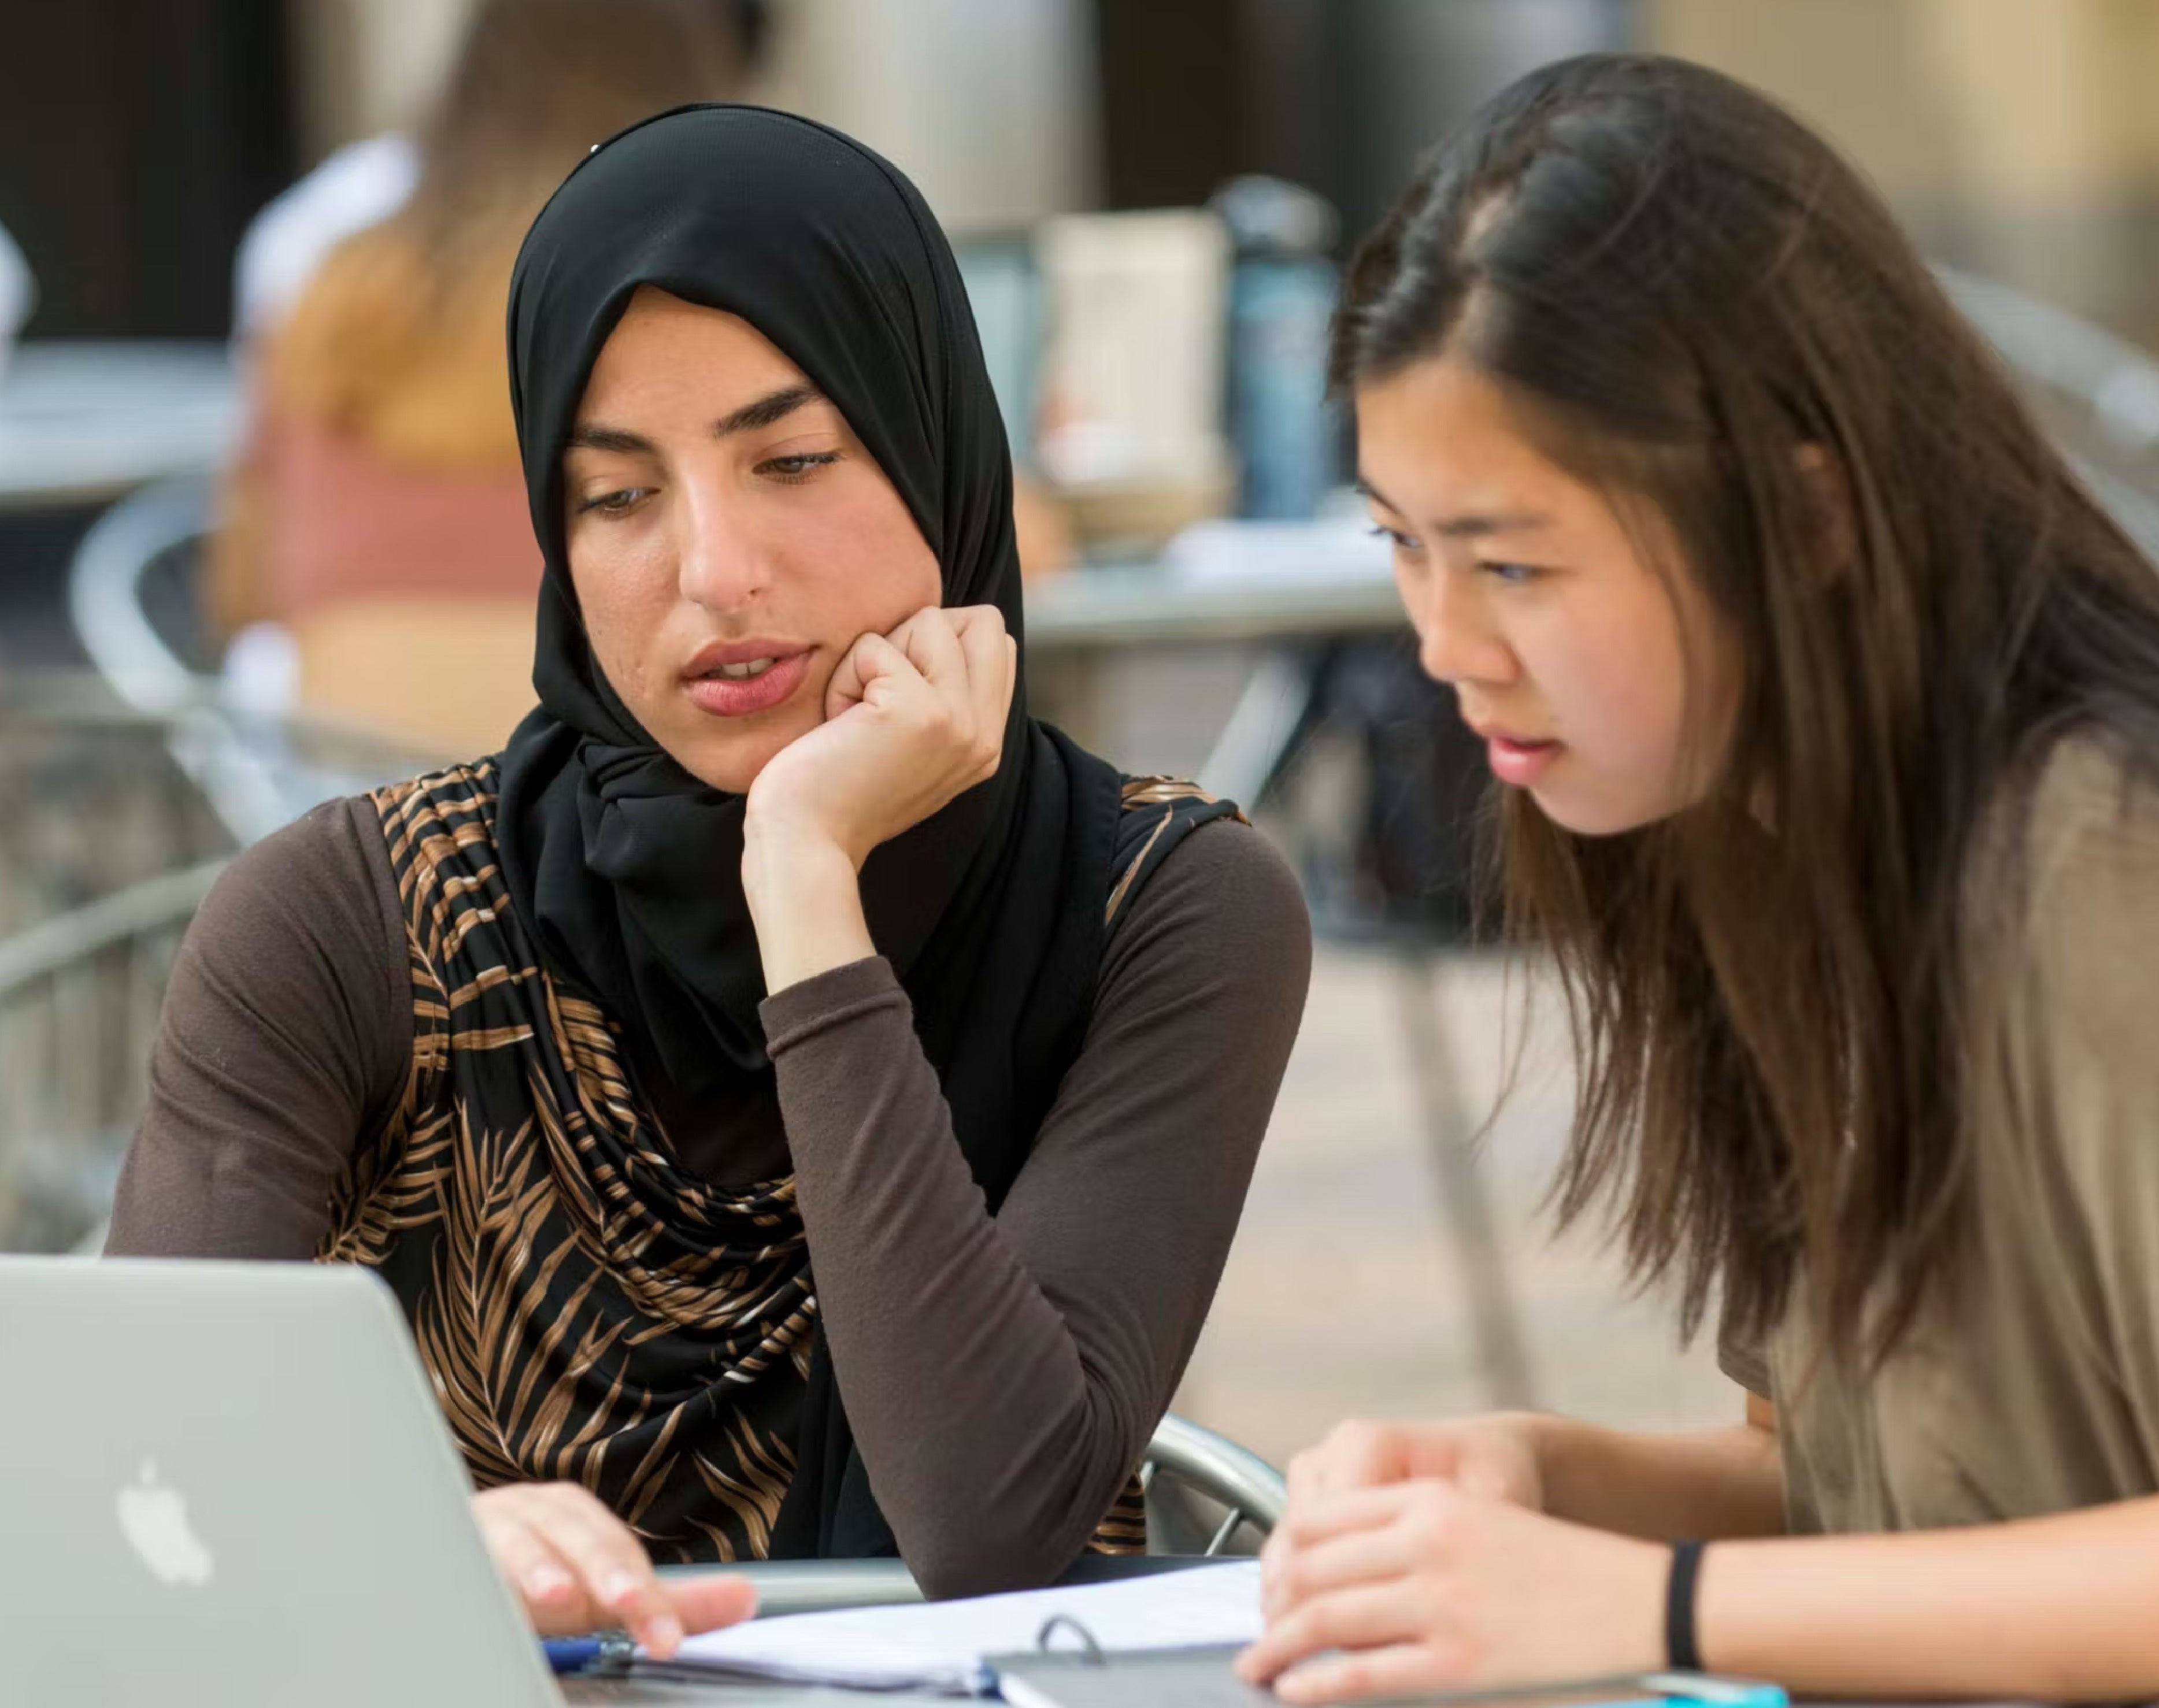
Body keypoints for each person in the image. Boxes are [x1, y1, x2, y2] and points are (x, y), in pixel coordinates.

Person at [109, 105, 1310, 1657]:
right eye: (619, 496)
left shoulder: (1162, 909)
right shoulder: (363, 922)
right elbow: (136, 1478)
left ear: (935, 442)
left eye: (794, 459)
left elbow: (991, 1520)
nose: (712, 569)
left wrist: (806, 881)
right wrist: (406, 1542)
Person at [1240, 51, 2159, 1705]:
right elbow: (1864, 1494)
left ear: (1803, 514)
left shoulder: (2099, 857)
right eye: (1403, 544)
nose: (1447, 646)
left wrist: (1649, 1609)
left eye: (1513, 559)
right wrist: (1532, 1480)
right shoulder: (1757, 827)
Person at [210, 0, 763, 753]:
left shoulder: (327, 289)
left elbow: (241, 593)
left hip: (354, 803)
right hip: (624, 802)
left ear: (463, 85)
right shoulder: (715, 296)